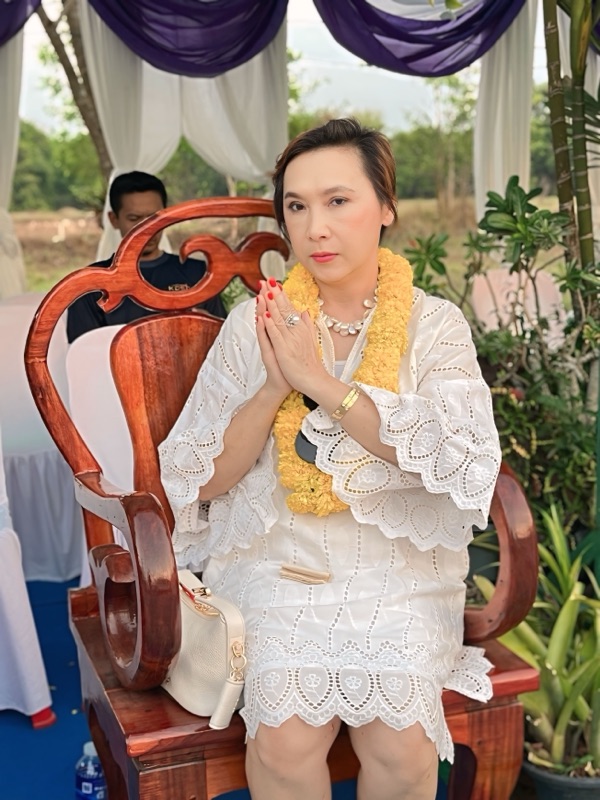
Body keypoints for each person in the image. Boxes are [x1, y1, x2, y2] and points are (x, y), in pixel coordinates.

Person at [158, 118, 501, 800]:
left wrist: (318, 381)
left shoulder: (434, 325)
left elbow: (460, 459)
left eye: (338, 200)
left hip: (398, 574)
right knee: (285, 739)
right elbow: (203, 479)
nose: (315, 228)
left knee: (401, 744)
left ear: (386, 207)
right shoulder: (254, 324)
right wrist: (273, 386)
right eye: (297, 206)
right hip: (280, 565)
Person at [66, 171, 226, 343]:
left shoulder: (198, 273)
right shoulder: (91, 284)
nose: (146, 228)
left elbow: (224, 343)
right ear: (113, 219)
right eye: (134, 218)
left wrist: (208, 328)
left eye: (154, 218)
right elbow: (83, 352)